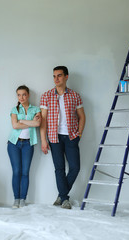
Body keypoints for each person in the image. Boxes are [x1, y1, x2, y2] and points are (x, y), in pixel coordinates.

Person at [40, 66, 86, 209]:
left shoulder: (75, 95)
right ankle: (65, 199)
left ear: (66, 76)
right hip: (54, 138)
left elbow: (82, 116)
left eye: (59, 76)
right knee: (59, 168)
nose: (56, 79)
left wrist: (79, 134)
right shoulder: (46, 96)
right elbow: (43, 120)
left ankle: (61, 196)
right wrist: (43, 140)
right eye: (54, 76)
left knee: (75, 167)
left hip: (71, 136)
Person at [7, 85, 41, 208]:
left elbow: (38, 123)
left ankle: (23, 199)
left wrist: (22, 121)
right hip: (14, 144)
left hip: (28, 144)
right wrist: (30, 123)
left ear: (28, 95)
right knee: (16, 171)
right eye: (19, 95)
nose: (21, 97)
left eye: (24, 94)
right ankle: (16, 199)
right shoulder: (14, 110)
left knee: (25, 172)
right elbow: (15, 126)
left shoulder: (36, 109)